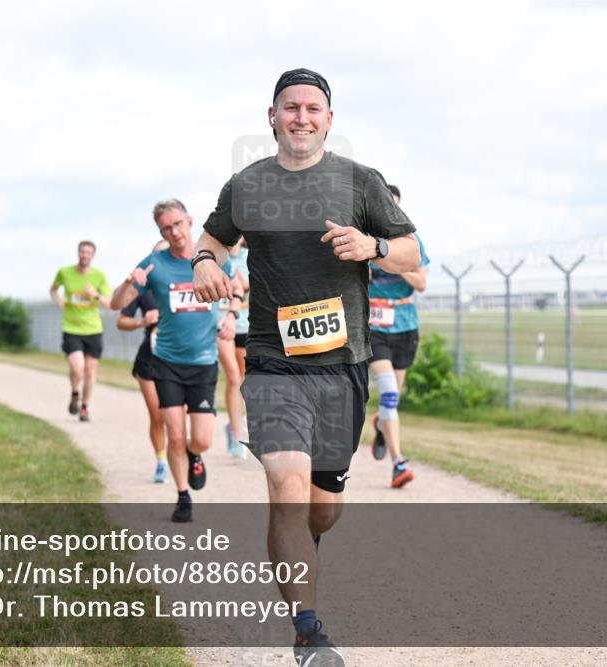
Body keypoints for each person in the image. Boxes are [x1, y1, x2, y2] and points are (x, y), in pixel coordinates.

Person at [192, 68, 421, 666]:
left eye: (312, 108)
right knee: (287, 493)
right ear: (272, 117)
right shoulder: (246, 185)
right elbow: (211, 241)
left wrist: (373, 247)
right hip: (273, 364)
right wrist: (204, 264)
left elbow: (412, 252)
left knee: (323, 509)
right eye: (290, 107)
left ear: (329, 119)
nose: (301, 117)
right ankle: (308, 633)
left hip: (342, 368)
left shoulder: (360, 182)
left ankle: (307, 544)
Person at [111, 199, 237, 523]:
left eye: (178, 224)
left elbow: (237, 287)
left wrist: (232, 316)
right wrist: (129, 282)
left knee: (202, 439)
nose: (174, 232)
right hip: (166, 361)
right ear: (161, 232)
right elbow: (116, 304)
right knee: (175, 435)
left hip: (204, 361)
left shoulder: (210, 258)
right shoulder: (154, 264)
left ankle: (195, 455)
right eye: (166, 228)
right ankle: (183, 496)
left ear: (190, 221)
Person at [367, 184, 429, 488]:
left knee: (393, 399)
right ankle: (398, 462)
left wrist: (396, 261)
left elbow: (421, 284)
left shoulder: (411, 242)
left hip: (405, 326)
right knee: (389, 393)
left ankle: (381, 422)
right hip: (374, 327)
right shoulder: (364, 241)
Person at [117, 240, 167, 483]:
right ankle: (161, 461)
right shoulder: (143, 289)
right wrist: (142, 321)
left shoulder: (187, 282)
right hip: (149, 357)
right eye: (160, 255)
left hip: (182, 359)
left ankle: (186, 454)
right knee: (157, 416)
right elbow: (121, 320)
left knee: (178, 417)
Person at [51, 241, 112, 422]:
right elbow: (53, 290)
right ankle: (74, 393)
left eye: (89, 253)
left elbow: (109, 303)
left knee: (90, 371)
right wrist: (58, 300)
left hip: (93, 329)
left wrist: (95, 294)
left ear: (93, 255)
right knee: (77, 366)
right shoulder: (65, 272)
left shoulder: (99, 276)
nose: (85, 255)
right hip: (71, 327)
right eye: (82, 252)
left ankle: (84, 407)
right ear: (78, 253)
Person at [223, 238, 250, 457]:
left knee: (242, 379)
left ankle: (234, 422)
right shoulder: (216, 257)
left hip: (245, 324)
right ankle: (236, 432)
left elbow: (247, 286)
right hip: (221, 322)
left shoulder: (250, 257)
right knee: (233, 377)